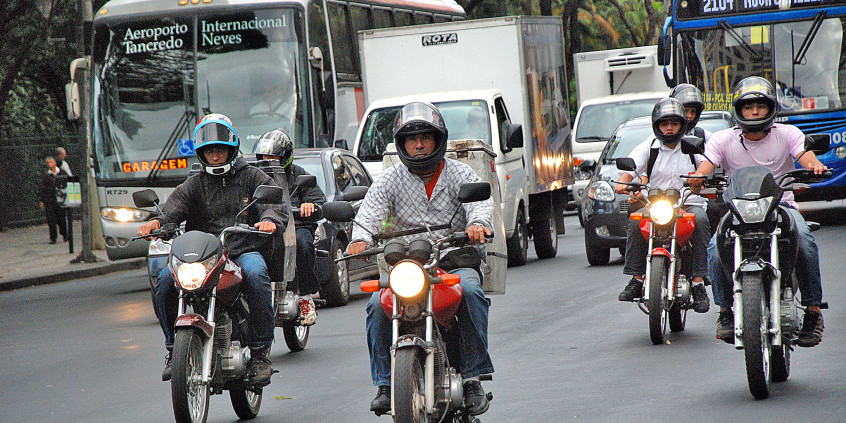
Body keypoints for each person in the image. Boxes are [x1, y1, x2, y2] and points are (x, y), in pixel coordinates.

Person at [347, 102, 494, 416]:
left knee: (470, 291)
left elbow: (480, 205)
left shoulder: (460, 173)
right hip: (407, 266)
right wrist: (359, 239)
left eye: (424, 137)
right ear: (401, 144)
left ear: (437, 139)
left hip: (453, 258)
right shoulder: (389, 180)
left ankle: (472, 377)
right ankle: (386, 384)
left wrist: (477, 225)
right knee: (375, 304)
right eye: (410, 139)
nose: (418, 144)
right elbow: (368, 215)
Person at [137, 113, 287, 385]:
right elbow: (174, 207)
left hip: (242, 249)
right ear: (201, 154)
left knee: (256, 274)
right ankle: (173, 349)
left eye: (219, 150)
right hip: (202, 255)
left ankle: (261, 352)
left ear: (231, 148)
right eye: (209, 151)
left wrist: (268, 220)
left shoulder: (252, 176)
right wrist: (158, 222)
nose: (215, 156)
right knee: (166, 282)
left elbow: (273, 203)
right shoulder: (194, 184)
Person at [689, 76, 827, 347]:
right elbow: (705, 167)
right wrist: (697, 177)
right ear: (738, 110)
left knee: (806, 241)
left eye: (760, 106)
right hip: (738, 211)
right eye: (748, 106)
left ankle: (813, 311)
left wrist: (816, 166)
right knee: (715, 250)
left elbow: (806, 157)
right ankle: (725, 312)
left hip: (781, 206)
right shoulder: (722, 139)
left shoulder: (787, 134)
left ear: (770, 108)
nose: (754, 111)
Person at [615, 98, 711, 313]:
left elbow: (708, 165)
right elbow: (631, 167)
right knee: (634, 221)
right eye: (664, 124)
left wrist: (702, 179)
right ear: (656, 125)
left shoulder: (692, 145)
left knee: (702, 221)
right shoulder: (650, 146)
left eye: (674, 123)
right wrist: (623, 182)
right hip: (656, 205)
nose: (669, 128)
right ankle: (636, 278)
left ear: (682, 125)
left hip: (688, 203)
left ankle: (698, 283)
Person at [253, 128, 325, 325]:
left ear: (285, 156)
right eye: (265, 156)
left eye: (274, 156)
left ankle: (306, 297)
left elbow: (318, 200)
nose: (269, 160)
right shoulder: (254, 176)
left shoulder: (299, 175)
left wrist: (310, 206)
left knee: (303, 243)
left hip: (296, 225)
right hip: (266, 226)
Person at [39, 157, 69, 244]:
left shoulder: (62, 173)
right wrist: (42, 200)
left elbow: (67, 185)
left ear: (55, 163)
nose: (49, 164)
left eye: (51, 162)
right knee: (51, 219)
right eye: (48, 163)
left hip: (60, 200)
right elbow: (42, 189)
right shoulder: (46, 176)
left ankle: (64, 234)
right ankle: (53, 238)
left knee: (61, 218)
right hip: (49, 200)